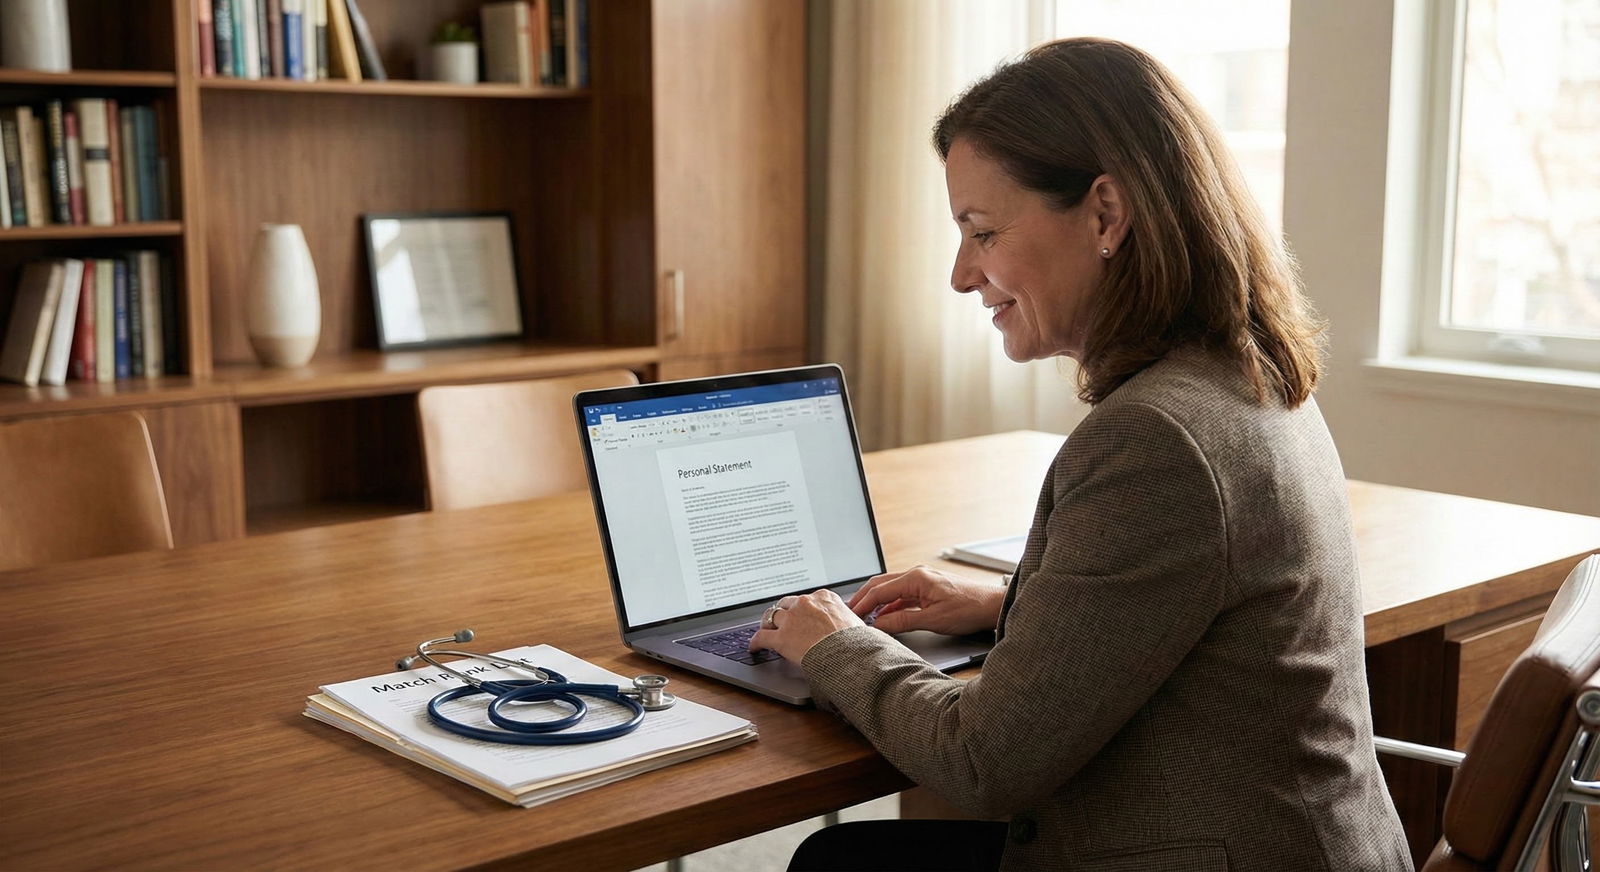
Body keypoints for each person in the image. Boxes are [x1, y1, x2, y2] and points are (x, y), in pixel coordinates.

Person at [748, 37, 1412, 872]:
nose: (961, 275)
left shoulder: (1154, 440)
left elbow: (983, 764)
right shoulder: (1244, 372)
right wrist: (1014, 603)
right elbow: (1196, 605)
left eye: (983, 232)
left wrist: (836, 642)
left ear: (1105, 214)